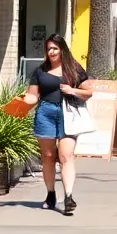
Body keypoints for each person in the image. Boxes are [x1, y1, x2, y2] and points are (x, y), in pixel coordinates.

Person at [20, 36, 95, 215]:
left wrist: (73, 90)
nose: (51, 52)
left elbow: (89, 92)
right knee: (47, 156)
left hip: (68, 113)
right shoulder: (40, 71)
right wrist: (19, 103)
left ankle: (68, 197)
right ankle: (51, 193)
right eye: (48, 49)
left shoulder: (73, 68)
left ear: (62, 49)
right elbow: (33, 96)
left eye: (55, 48)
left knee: (66, 155)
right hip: (45, 113)